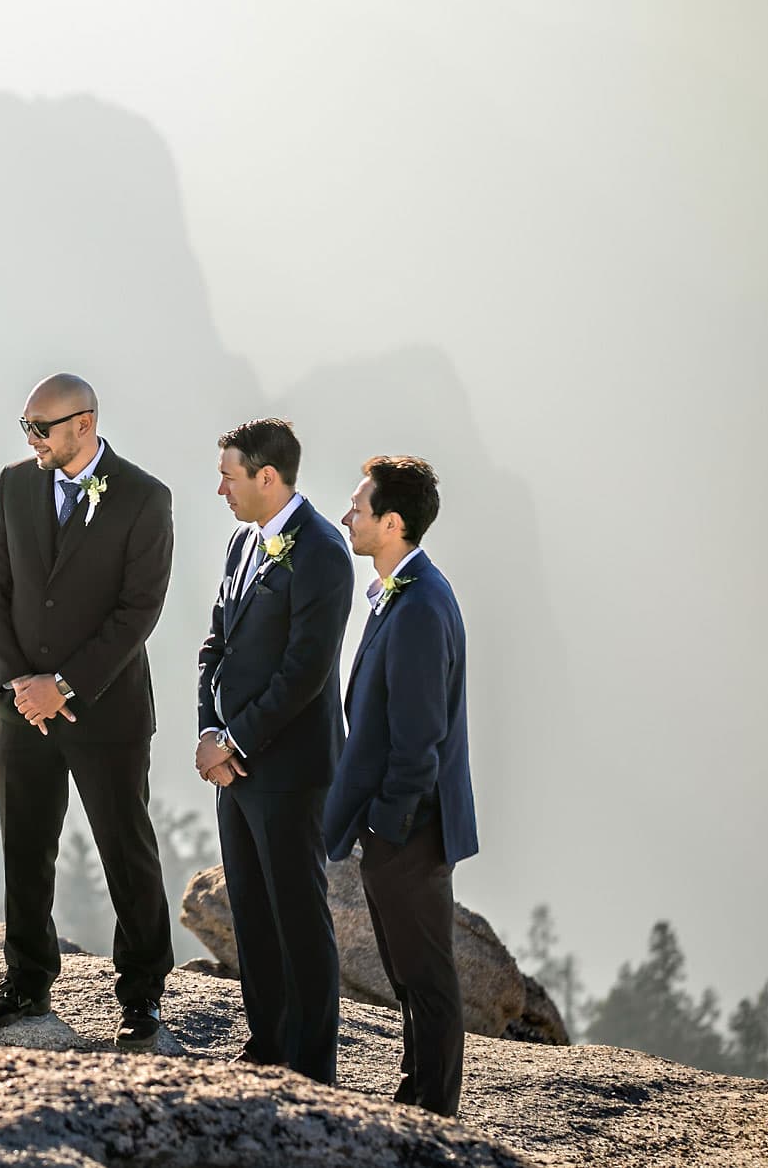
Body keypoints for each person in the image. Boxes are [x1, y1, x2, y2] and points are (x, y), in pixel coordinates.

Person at [0, 373, 176, 1051]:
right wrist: (20, 685)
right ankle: (26, 980)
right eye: (25, 425)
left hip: (105, 710)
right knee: (26, 848)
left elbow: (137, 612)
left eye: (42, 427)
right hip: (20, 709)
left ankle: (142, 995)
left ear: (84, 424)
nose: (30, 439)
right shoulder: (13, 486)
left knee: (126, 848)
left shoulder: (145, 498)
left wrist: (64, 684)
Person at [195, 417, 351, 1085]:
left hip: (291, 769)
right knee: (251, 910)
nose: (220, 488)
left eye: (229, 475)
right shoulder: (241, 543)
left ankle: (313, 1064)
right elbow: (214, 643)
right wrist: (208, 731)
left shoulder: (321, 552)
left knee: (297, 914)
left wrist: (236, 740)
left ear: (267, 476)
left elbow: (304, 673)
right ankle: (266, 1042)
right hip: (232, 768)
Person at [324, 454, 477, 1117]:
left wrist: (387, 824)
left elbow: (421, 739)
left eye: (358, 508)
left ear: (392, 523)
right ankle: (416, 1094)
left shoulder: (418, 606)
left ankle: (435, 1112)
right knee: (409, 975)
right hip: (401, 827)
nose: (346, 517)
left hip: (412, 829)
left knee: (427, 978)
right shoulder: (408, 592)